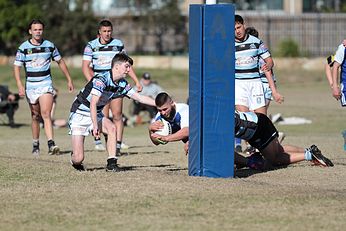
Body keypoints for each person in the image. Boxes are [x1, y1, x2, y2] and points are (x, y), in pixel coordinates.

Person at [69, 53, 155, 171]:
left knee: (112, 128)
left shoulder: (122, 83)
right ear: (117, 67)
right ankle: (74, 158)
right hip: (80, 112)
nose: (129, 70)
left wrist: (159, 104)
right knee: (78, 158)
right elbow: (93, 103)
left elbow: (139, 98)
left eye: (129, 67)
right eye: (127, 66)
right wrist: (95, 126)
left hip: (96, 113)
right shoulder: (101, 79)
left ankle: (112, 163)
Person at [13, 19, 74, 156]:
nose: (38, 32)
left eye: (40, 29)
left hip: (45, 84)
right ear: (30, 31)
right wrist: (19, 84)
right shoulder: (23, 48)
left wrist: (69, 79)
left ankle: (51, 143)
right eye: (35, 30)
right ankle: (36, 144)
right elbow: (16, 67)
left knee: (46, 113)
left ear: (43, 30)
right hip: (31, 87)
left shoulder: (49, 46)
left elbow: (60, 61)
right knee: (35, 115)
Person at [82, 19, 142, 154]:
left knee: (117, 115)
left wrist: (136, 81)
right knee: (103, 115)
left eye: (109, 31)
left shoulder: (118, 44)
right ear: (99, 32)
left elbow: (127, 65)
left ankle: (118, 145)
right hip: (102, 86)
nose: (107, 34)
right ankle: (104, 141)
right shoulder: (91, 46)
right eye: (104, 31)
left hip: (116, 84)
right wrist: (94, 83)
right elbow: (85, 67)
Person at [234, 110, 334, 170]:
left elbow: (228, 153)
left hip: (258, 130)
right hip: (259, 119)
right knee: (279, 150)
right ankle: (309, 151)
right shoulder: (222, 111)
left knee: (273, 160)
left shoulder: (223, 123)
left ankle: (310, 155)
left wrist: (246, 162)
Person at [234, 15, 274, 154]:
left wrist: (268, 65)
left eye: (239, 27)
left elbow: (269, 60)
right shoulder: (229, 45)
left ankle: (263, 149)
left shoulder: (257, 42)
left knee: (261, 119)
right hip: (239, 84)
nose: (237, 31)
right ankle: (251, 148)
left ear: (243, 25)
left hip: (255, 84)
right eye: (233, 29)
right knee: (244, 119)